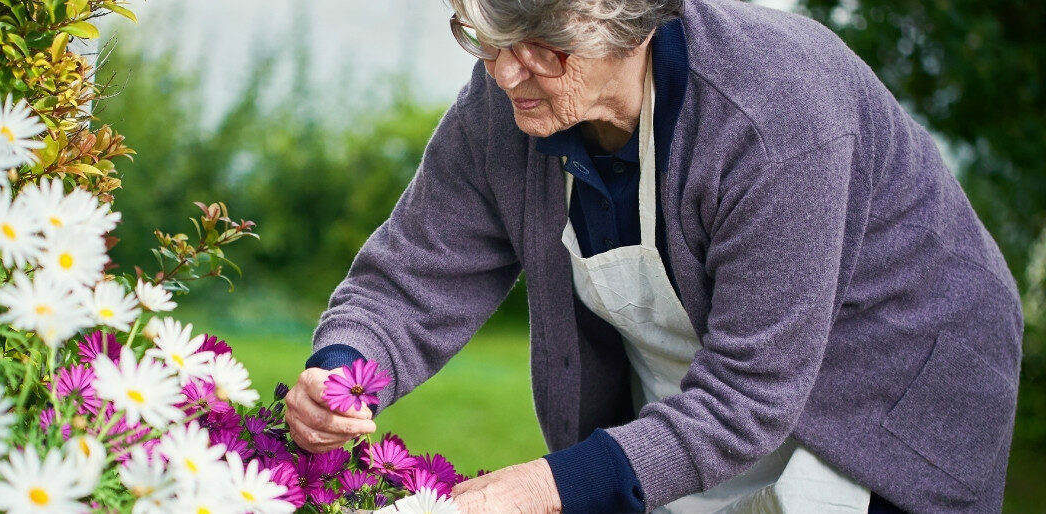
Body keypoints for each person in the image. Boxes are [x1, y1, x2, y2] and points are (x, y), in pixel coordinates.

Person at [283, 0, 1023, 512]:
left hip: (883, 405)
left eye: (545, 47)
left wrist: (543, 488)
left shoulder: (773, 114)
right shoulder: (505, 108)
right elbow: (414, 275)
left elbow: (747, 396)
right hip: (705, 408)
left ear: (630, 24)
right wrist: (344, 373)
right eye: (485, 37)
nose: (506, 72)